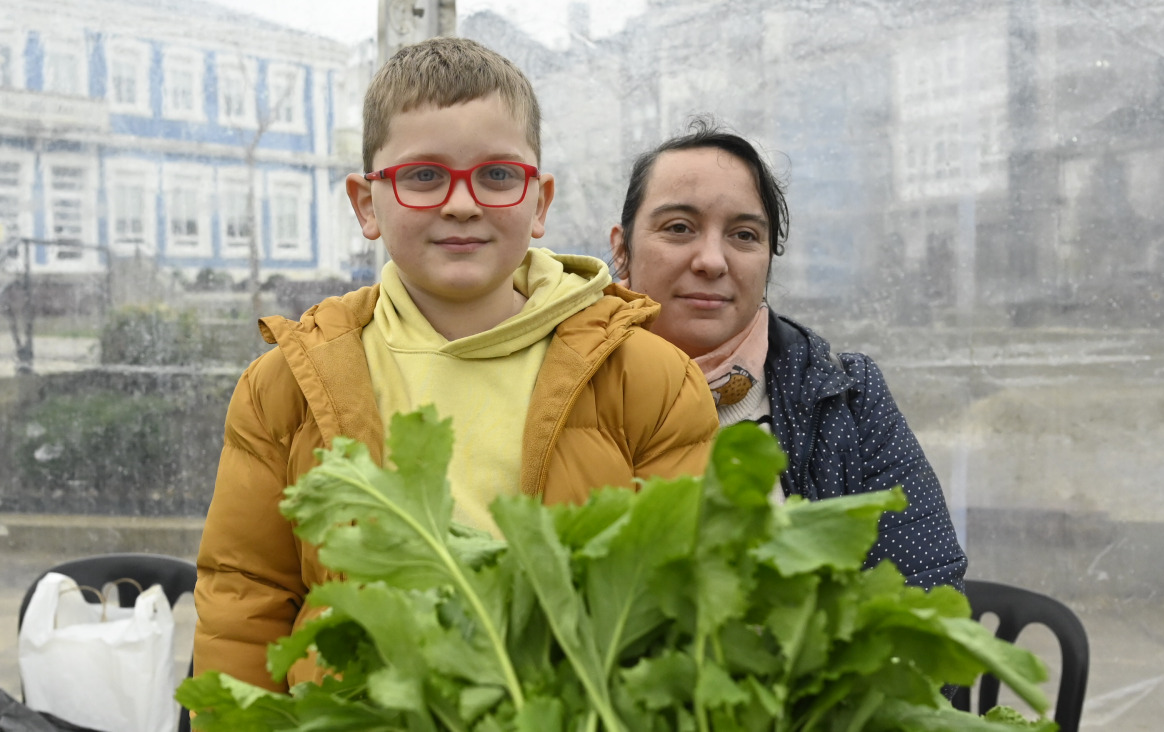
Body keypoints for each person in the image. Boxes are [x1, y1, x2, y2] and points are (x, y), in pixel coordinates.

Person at [193, 38, 719, 691]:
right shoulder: (285, 386)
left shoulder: (650, 378)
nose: (462, 203)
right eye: (424, 176)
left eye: (497, 175)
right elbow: (245, 596)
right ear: (365, 203)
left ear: (540, 202)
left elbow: (686, 592)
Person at [610, 121, 966, 591]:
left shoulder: (846, 401)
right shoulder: (562, 387)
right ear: (621, 249)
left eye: (744, 235)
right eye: (679, 228)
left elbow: (924, 604)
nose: (713, 261)